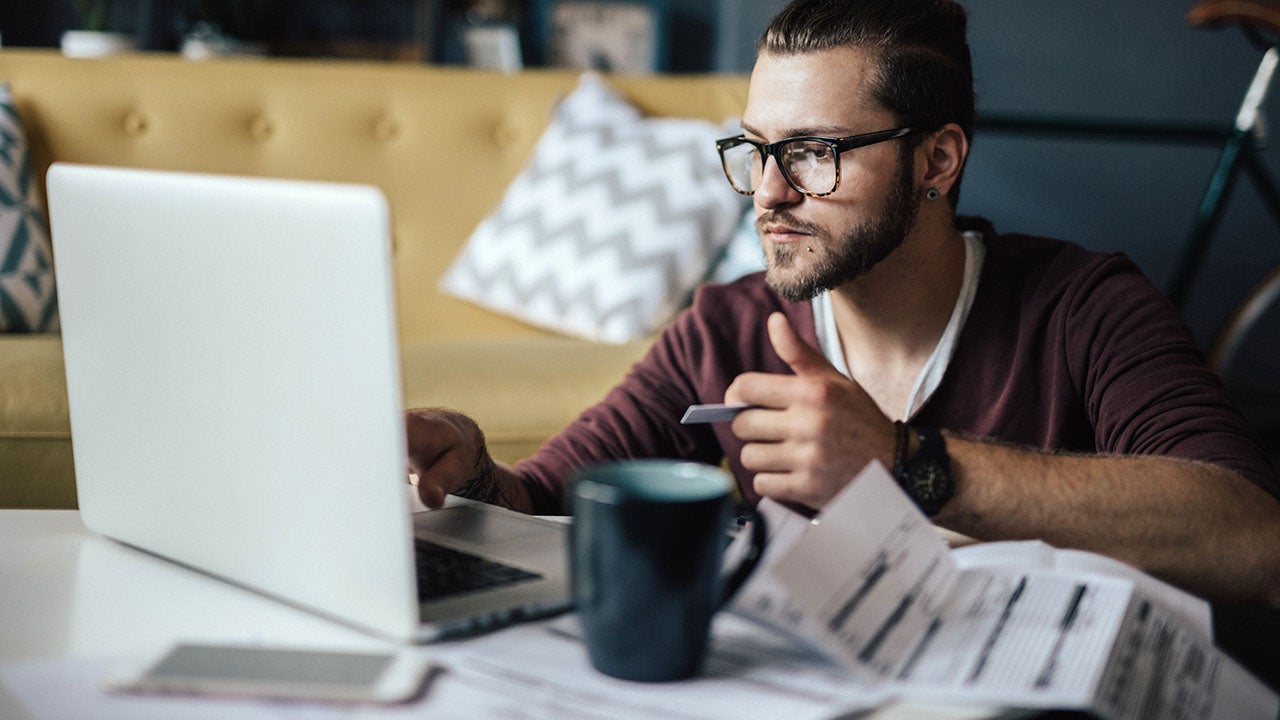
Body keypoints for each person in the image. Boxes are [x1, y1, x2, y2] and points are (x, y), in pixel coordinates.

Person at [407, 0, 1280, 611]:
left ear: (937, 162)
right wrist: (472, 470)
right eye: (754, 151)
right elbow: (546, 501)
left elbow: (1252, 539)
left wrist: (905, 462)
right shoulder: (726, 328)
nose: (769, 193)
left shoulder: (1082, 308)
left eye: (815, 151)